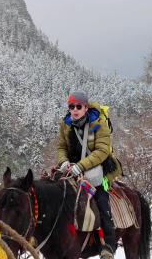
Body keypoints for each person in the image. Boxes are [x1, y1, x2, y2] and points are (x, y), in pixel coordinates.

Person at [57, 91, 122, 259]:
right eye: (72, 106)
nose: (75, 109)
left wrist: (82, 166)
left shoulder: (99, 123)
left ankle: (108, 244)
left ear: (86, 107)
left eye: (79, 106)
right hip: (73, 169)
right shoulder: (66, 124)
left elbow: (102, 150)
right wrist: (64, 162)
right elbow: (61, 147)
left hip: (98, 169)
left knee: (101, 199)